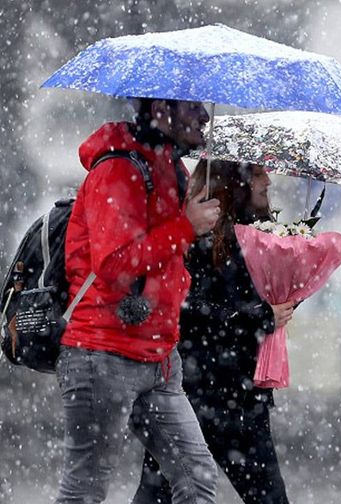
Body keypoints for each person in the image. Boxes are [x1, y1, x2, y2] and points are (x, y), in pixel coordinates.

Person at [56, 98, 221, 504]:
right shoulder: (118, 169)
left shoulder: (171, 168)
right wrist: (186, 226)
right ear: (161, 108)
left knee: (197, 480)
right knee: (84, 490)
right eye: (192, 106)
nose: (204, 116)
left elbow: (169, 256)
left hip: (159, 358)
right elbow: (115, 263)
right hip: (102, 352)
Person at [132, 160, 295, 504]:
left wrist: (287, 297)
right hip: (193, 392)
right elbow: (186, 310)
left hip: (242, 396)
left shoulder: (262, 237)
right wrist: (258, 317)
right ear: (235, 181)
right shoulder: (195, 236)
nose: (267, 181)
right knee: (159, 493)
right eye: (258, 173)